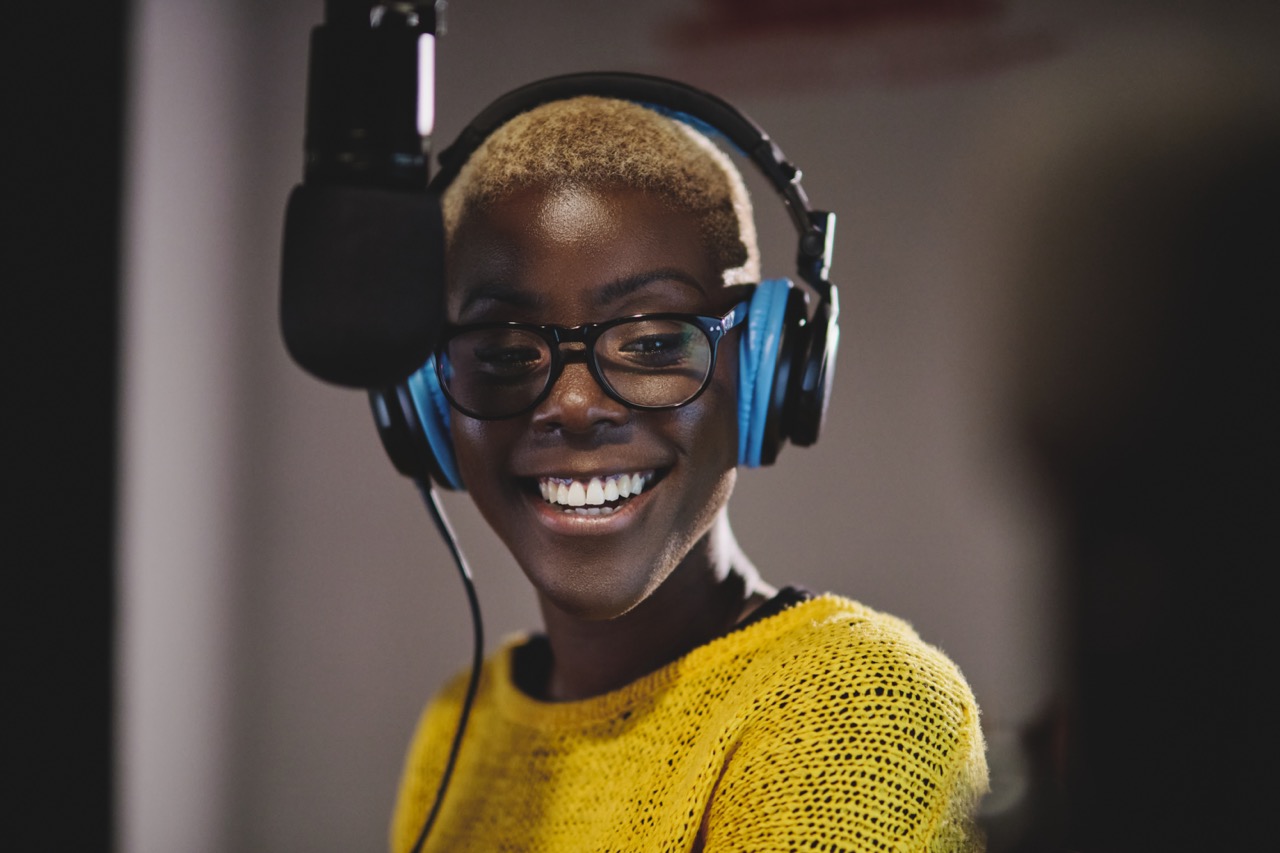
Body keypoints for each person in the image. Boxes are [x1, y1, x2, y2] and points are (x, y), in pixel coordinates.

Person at [389, 89, 989, 852]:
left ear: (770, 372)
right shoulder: (458, 727)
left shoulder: (858, 706)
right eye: (506, 352)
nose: (573, 405)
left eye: (651, 343)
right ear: (427, 405)